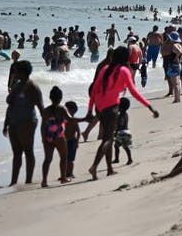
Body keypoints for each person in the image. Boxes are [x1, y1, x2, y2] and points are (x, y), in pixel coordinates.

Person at [86, 48, 158, 180]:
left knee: (109, 137)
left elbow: (95, 89)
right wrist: (149, 106)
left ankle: (109, 169)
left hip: (99, 108)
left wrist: (90, 110)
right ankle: (94, 166)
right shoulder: (124, 71)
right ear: (126, 59)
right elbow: (134, 92)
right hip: (111, 108)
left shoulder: (105, 69)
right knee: (108, 139)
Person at [3, 60, 43, 186]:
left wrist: (47, 125)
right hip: (14, 122)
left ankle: (28, 180)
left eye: (16, 72)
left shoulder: (32, 87)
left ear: (23, 72)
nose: (14, 74)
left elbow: (41, 107)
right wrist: (6, 124)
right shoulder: (16, 86)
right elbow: (10, 106)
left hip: (28, 122)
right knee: (17, 153)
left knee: (28, 151)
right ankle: (13, 181)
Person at [40, 86, 72, 187]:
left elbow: (42, 126)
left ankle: (44, 181)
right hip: (59, 136)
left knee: (47, 159)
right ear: (61, 98)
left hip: (48, 136)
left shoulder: (45, 110)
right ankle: (63, 177)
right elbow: (70, 119)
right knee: (63, 157)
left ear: (50, 97)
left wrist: (43, 138)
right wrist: (84, 119)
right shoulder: (62, 109)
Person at [113, 98, 134, 165]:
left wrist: (115, 132)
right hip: (126, 132)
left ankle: (128, 159)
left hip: (122, 133)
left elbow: (120, 125)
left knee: (123, 146)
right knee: (118, 146)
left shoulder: (121, 115)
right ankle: (119, 159)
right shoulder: (126, 114)